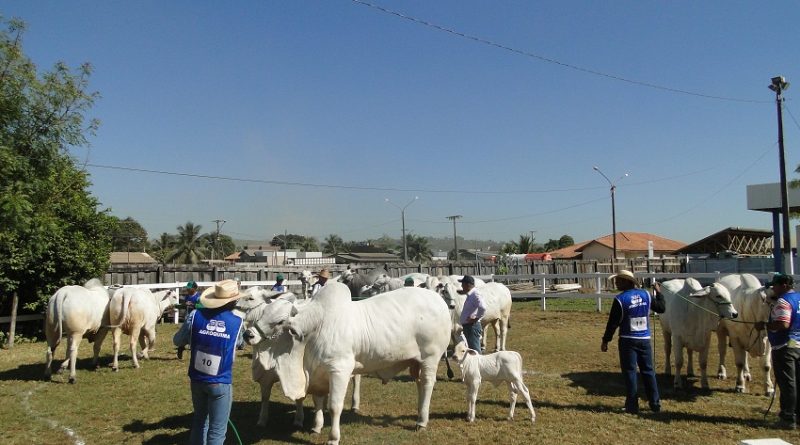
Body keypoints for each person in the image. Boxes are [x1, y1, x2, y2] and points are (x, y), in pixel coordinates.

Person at [173, 279, 244, 445]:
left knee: (199, 421)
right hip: (220, 381)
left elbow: (177, 340)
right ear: (234, 301)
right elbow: (240, 343)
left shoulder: (195, 315)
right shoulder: (237, 322)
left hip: (197, 379)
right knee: (217, 431)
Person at [601, 269, 664, 414]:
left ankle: (632, 405)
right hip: (645, 340)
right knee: (648, 371)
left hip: (628, 341)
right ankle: (655, 403)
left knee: (630, 372)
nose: (616, 283)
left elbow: (612, 324)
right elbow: (661, 308)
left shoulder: (620, 299)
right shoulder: (646, 295)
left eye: (618, 281)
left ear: (627, 282)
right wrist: (659, 292)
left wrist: (606, 340)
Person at [757, 273, 800, 430]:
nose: (773, 288)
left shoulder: (783, 301)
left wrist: (765, 326)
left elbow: (783, 324)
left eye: (775, 285)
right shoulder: (799, 298)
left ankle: (788, 417)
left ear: (784, 285)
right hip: (798, 344)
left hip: (784, 347)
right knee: (797, 381)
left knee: (787, 383)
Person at [458, 275, 486, 353]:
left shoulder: (475, 294)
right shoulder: (471, 294)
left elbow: (482, 307)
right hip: (469, 327)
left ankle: (479, 365)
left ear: (468, 284)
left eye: (462, 284)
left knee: (475, 352)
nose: (461, 286)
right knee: (472, 350)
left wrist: (476, 318)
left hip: (472, 327)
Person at [177, 280, 201, 359]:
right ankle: (181, 347)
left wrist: (193, 305)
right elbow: (184, 305)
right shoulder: (187, 296)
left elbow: (202, 306)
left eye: (189, 288)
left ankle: (193, 351)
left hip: (196, 318)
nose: (188, 290)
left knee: (193, 334)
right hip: (187, 318)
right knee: (185, 333)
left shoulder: (199, 296)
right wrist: (183, 304)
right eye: (187, 288)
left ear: (194, 288)